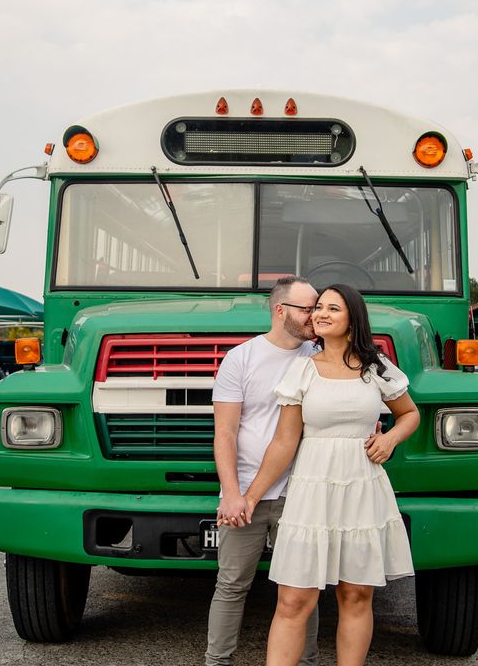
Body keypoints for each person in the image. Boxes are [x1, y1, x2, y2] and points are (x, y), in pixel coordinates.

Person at [240, 283, 420, 666]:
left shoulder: (377, 367)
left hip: (362, 488)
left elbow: (410, 414)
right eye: (318, 307)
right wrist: (252, 495)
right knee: (293, 599)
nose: (320, 314)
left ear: (352, 320)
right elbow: (284, 442)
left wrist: (390, 440)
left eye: (332, 309)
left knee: (355, 595)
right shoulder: (301, 370)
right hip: (312, 491)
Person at [205, 276, 320, 666]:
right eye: (307, 308)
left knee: (302, 588)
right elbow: (225, 432)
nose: (314, 316)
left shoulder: (319, 356)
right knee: (232, 584)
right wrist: (232, 494)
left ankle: (305, 661)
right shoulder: (241, 358)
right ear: (280, 310)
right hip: (246, 495)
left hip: (302, 492)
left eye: (317, 307)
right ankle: (217, 661)